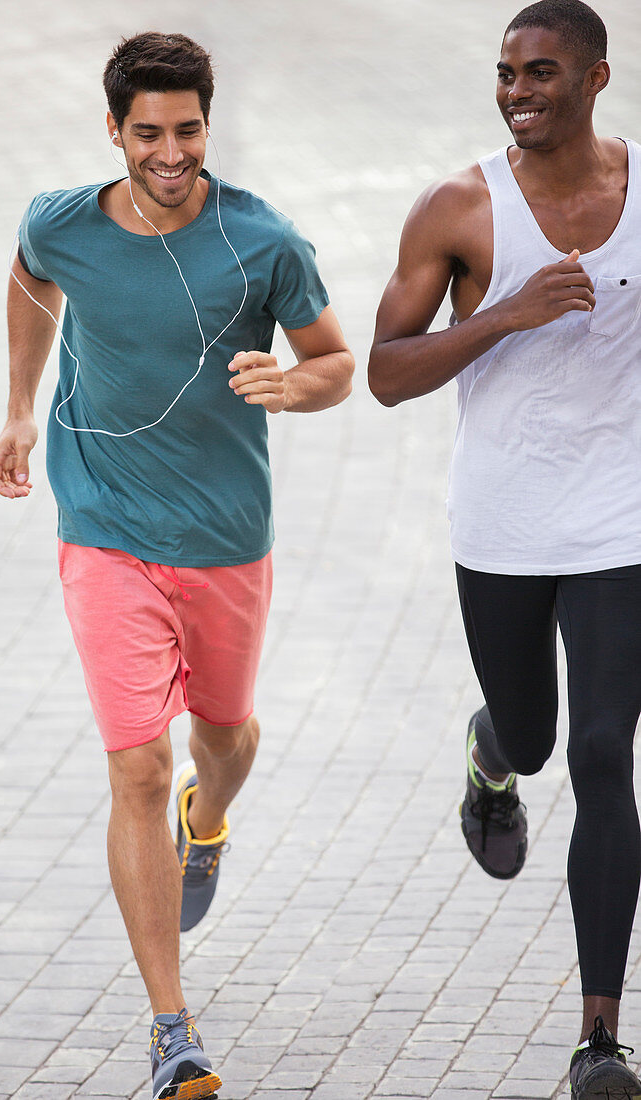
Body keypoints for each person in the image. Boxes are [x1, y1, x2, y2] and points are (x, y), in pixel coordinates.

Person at [0, 31, 353, 1100]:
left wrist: (297, 384)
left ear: (207, 121)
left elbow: (336, 358)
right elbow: (27, 273)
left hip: (226, 536)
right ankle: (171, 1026)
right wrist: (18, 406)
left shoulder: (261, 240)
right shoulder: (65, 222)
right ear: (114, 130)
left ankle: (211, 818)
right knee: (137, 765)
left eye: (186, 129)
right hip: (102, 525)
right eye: (146, 132)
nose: (169, 151)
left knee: (224, 740)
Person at [368, 0, 641, 1095]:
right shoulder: (461, 206)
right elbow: (387, 371)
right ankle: (489, 746)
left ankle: (599, 1035)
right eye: (503, 74)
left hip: (621, 519)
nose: (516, 91)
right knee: (534, 740)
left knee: (602, 752)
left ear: (594, 80)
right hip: (502, 526)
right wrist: (504, 315)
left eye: (538, 73)